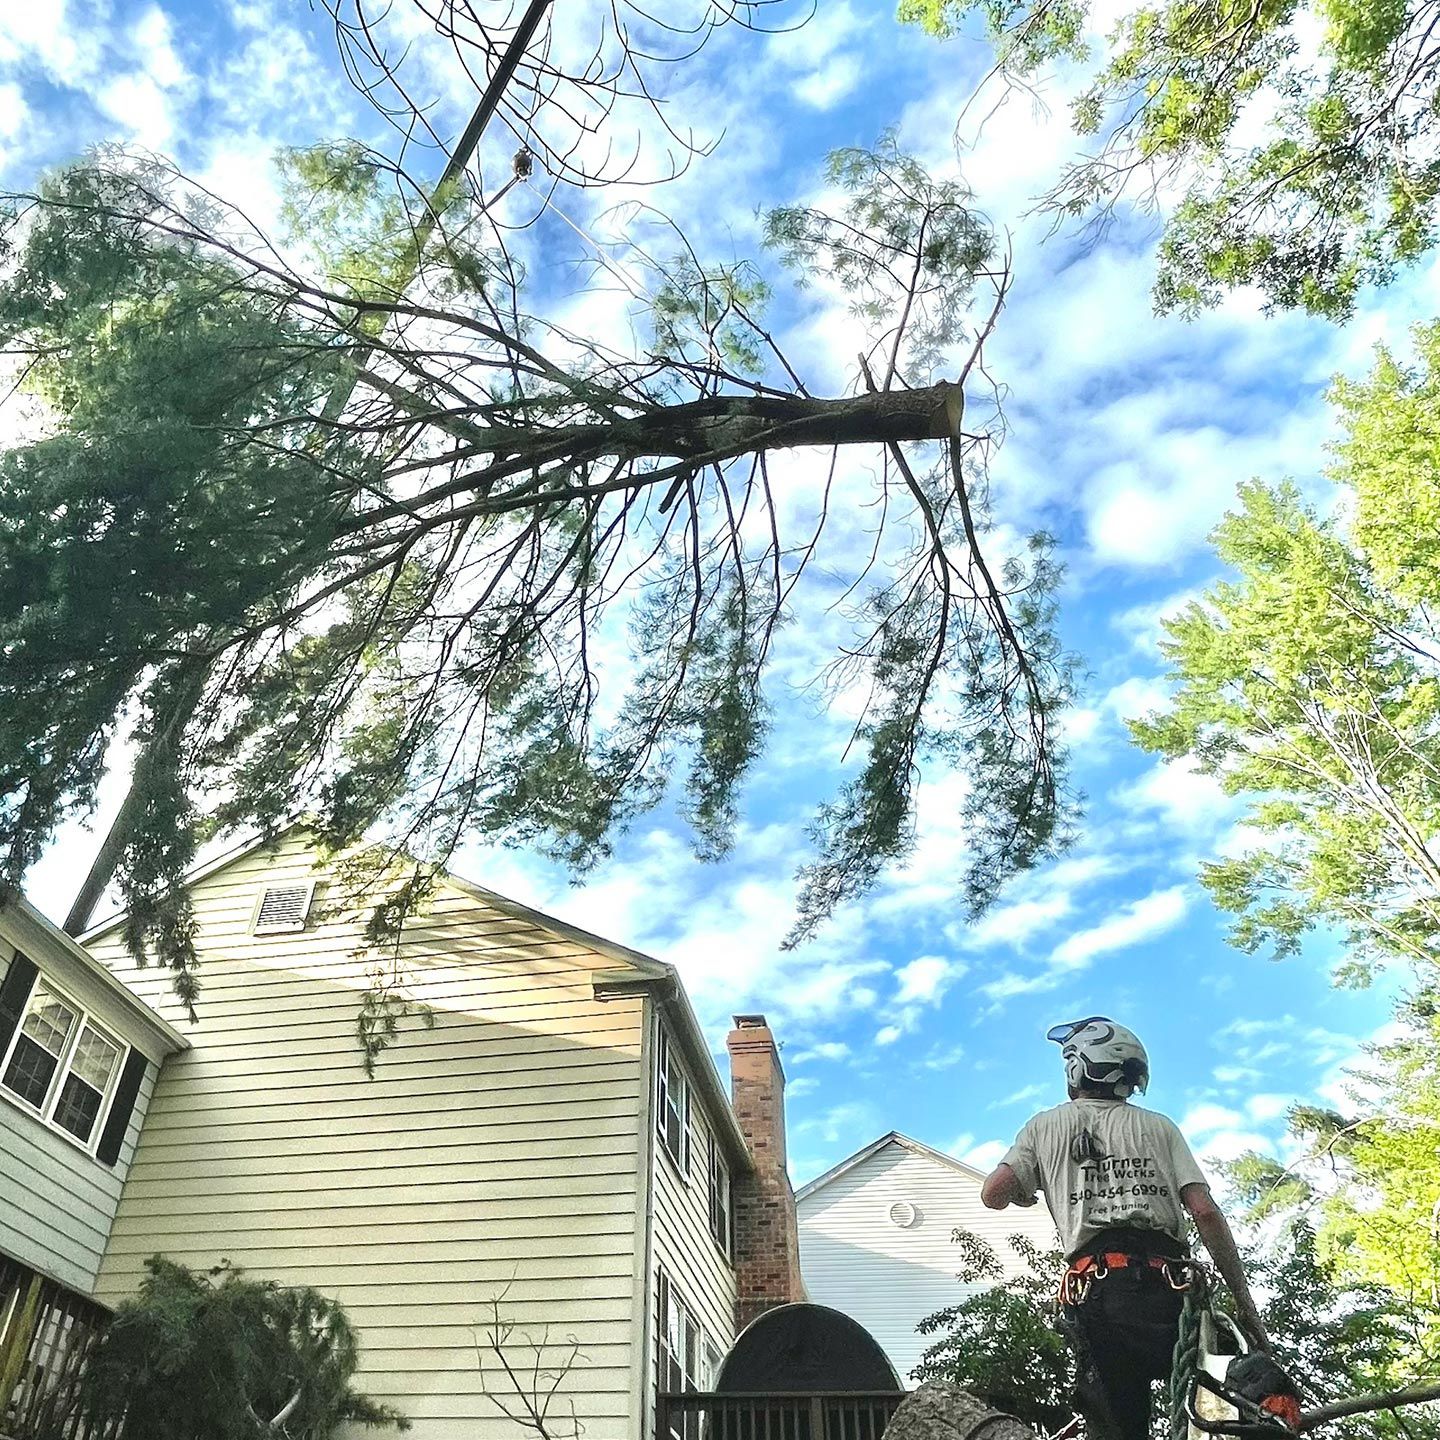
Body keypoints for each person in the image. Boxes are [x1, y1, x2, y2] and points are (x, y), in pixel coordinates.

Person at [981, 1016, 1270, 1440]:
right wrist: (1245, 1302)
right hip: (1173, 1294)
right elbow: (1204, 1212)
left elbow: (993, 1192)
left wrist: (1025, 1192)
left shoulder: (1045, 1127)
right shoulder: (1159, 1127)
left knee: (1116, 1428)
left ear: (1076, 1067)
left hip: (1100, 1293)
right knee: (1213, 1418)